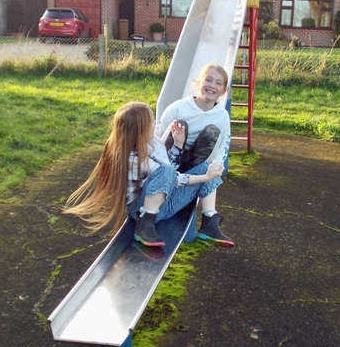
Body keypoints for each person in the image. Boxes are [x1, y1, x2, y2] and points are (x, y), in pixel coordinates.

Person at [63, 101, 224, 247]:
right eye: (152, 122)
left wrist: (178, 145)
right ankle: (145, 224)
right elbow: (173, 177)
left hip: (164, 201)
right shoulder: (129, 158)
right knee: (200, 173)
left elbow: (169, 171)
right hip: (141, 209)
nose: (155, 124)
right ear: (140, 130)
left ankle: (209, 220)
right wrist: (206, 178)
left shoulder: (151, 142)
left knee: (207, 166)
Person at [156, 63, 234, 246]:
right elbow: (158, 139)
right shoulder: (179, 108)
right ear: (198, 82)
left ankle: (209, 220)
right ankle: (174, 176)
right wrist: (177, 144)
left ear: (223, 91)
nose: (212, 85)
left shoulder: (221, 115)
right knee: (181, 123)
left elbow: (222, 146)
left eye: (218, 83)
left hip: (194, 165)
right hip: (168, 161)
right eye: (208, 80)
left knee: (212, 138)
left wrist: (214, 169)